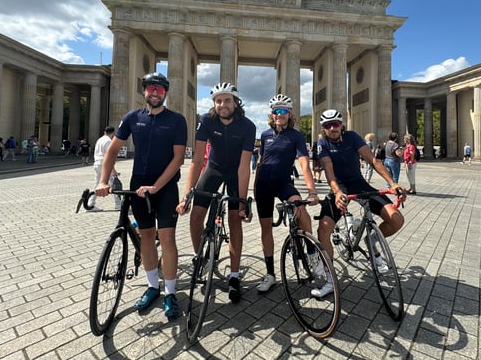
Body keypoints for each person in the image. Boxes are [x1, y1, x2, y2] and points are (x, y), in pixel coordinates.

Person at [95, 72, 187, 319]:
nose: (154, 92)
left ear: (165, 93)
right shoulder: (132, 117)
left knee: (167, 239)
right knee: (146, 237)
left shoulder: (177, 120)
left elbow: (178, 158)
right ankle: (152, 286)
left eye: (159, 89)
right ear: (144, 91)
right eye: (150, 88)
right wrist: (104, 180)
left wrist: (157, 186)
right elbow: (112, 150)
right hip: (138, 186)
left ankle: (170, 292)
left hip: (166, 187)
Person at [177, 82, 256, 303]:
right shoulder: (207, 120)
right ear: (214, 103)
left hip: (234, 173)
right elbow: (198, 158)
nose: (223, 105)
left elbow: (244, 166)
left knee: (234, 220)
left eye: (227, 100)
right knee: (195, 216)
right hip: (213, 169)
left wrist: (241, 203)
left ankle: (234, 275)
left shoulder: (248, 126)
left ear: (235, 102)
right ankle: (199, 256)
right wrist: (187, 194)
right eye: (218, 100)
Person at [314, 109, 406, 297]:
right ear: (323, 129)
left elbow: (372, 159)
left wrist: (392, 183)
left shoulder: (353, 137)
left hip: (359, 183)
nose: (332, 128)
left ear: (341, 125)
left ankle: (371, 241)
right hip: (339, 186)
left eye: (335, 124)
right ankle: (331, 279)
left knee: (396, 219)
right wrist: (337, 192)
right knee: (323, 229)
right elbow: (328, 169)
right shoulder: (322, 143)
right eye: (327, 125)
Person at [253, 94, 320, 293]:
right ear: (271, 114)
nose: (279, 114)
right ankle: (270, 274)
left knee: (301, 212)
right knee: (266, 229)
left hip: (283, 183)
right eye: (276, 111)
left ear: (289, 114)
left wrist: (312, 191)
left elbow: (304, 163)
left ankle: (312, 255)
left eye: (283, 111)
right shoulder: (264, 135)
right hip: (263, 185)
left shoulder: (296, 136)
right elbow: (260, 162)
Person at [88, 126, 121, 212]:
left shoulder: (99, 140)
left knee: (97, 184)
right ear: (113, 133)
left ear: (104, 132)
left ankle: (90, 204)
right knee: (113, 183)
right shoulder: (109, 141)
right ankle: (118, 204)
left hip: (97, 163)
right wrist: (113, 170)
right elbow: (109, 156)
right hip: (104, 164)